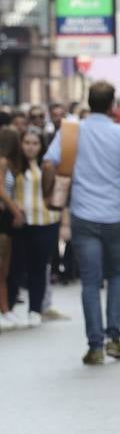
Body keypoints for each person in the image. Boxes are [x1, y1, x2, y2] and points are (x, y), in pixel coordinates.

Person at [42, 80, 120, 365]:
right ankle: (114, 338)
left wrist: (50, 193)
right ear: (113, 106)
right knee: (115, 276)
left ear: (88, 101)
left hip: (83, 214)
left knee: (89, 281)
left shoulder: (72, 130)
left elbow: (48, 163)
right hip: (115, 215)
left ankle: (95, 345)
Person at [5, 127, 60, 329]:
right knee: (15, 268)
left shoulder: (47, 165)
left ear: (41, 146)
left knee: (39, 268)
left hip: (45, 221)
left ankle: (35, 309)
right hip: (21, 222)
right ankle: (8, 308)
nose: (30, 147)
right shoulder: (13, 166)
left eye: (35, 143)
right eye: (26, 142)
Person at [0, 127, 21, 329]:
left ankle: (5, 309)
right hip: (4, 216)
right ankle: (4, 310)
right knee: (2, 266)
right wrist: (16, 210)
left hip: (6, 216)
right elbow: (1, 190)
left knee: (4, 268)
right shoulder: (3, 162)